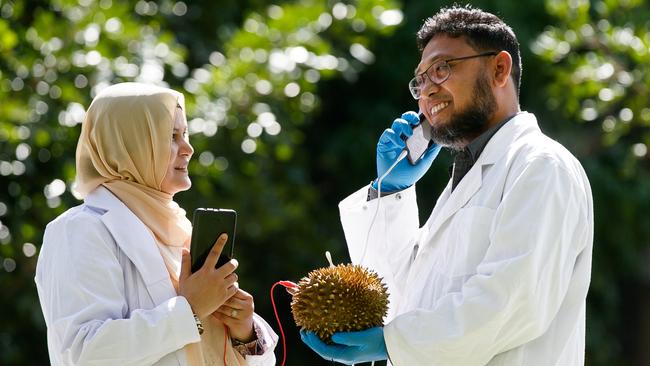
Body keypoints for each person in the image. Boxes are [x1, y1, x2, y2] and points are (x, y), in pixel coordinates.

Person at [301, 5, 593, 366]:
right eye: (420, 81)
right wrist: (389, 191)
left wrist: (394, 343)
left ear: (499, 69)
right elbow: (399, 298)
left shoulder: (542, 166)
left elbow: (514, 299)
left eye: (441, 69)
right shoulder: (463, 184)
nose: (426, 92)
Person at [35, 82, 278, 365]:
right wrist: (190, 310)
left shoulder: (179, 229)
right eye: (171, 136)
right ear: (130, 144)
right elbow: (85, 353)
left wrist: (245, 333)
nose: (188, 149)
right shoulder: (80, 230)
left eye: (185, 134)